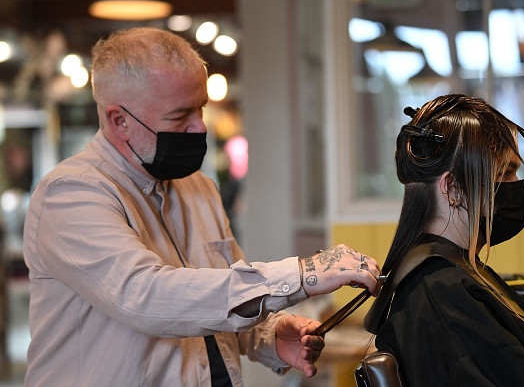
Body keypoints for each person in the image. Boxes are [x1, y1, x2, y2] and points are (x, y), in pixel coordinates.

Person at [22, 27, 381, 387]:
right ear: (119, 120)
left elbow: (208, 301)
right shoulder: (70, 195)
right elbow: (148, 298)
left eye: (201, 108)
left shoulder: (197, 188)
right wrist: (302, 276)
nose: (199, 127)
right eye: (180, 116)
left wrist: (269, 335)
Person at [364, 94, 524, 386]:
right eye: (504, 173)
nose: (515, 186)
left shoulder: (459, 272)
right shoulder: (445, 297)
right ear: (454, 188)